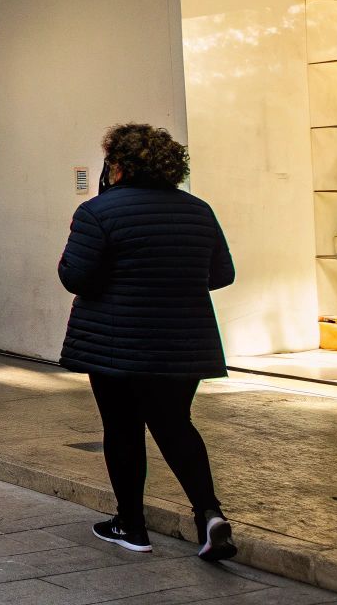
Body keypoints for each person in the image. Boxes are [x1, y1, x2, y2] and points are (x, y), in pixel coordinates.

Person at [59, 123, 236, 561]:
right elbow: (221, 274)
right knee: (175, 424)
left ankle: (132, 526)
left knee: (122, 430)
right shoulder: (198, 210)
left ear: (117, 165)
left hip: (117, 343)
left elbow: (74, 276)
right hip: (183, 343)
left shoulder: (97, 212)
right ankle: (209, 514)